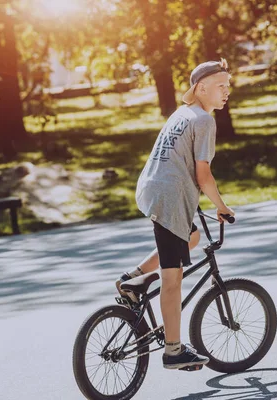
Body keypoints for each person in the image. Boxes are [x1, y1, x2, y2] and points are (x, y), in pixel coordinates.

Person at [116, 58, 235, 370]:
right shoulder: (204, 121)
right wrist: (222, 208)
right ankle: (173, 351)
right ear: (201, 88)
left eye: (228, 85)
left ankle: (132, 279)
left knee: (191, 237)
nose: (227, 91)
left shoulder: (183, 114)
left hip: (154, 188)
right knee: (173, 278)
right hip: (170, 197)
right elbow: (204, 175)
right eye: (221, 86)